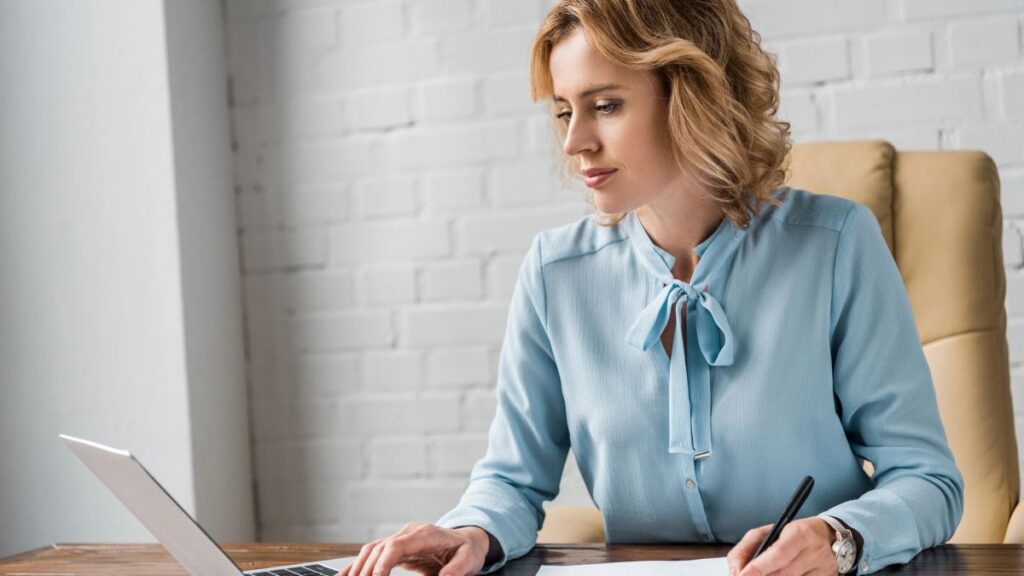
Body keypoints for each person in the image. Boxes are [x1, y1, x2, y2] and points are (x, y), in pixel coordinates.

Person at [339, 1, 964, 575]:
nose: (573, 140)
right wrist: (472, 531)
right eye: (564, 110)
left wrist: (838, 537)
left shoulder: (834, 245)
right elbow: (511, 480)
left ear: (692, 98)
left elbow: (929, 480)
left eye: (605, 105)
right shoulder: (556, 273)